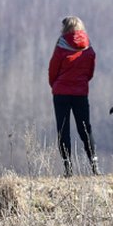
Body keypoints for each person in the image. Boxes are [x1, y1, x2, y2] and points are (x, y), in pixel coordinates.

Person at [48, 16, 98, 177]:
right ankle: (94, 165)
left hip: (61, 93)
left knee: (63, 130)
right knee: (85, 129)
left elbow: (53, 69)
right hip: (80, 93)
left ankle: (68, 168)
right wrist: (81, 83)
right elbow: (90, 72)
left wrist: (56, 85)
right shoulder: (88, 47)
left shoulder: (61, 45)